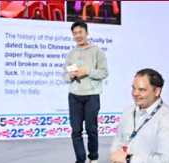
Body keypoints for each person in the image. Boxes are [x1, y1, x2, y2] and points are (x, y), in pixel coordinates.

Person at [110, 68, 169, 163]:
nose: (135, 93)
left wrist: (129, 159)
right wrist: (115, 154)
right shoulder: (128, 112)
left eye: (142, 90)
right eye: (133, 88)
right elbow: (118, 140)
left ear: (157, 91)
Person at [62, 21, 108, 163]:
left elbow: (104, 73)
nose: (78, 36)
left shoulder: (97, 51)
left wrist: (86, 71)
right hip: (74, 96)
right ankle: (80, 160)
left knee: (91, 130)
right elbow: (64, 76)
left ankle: (93, 157)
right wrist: (69, 76)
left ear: (86, 33)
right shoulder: (71, 54)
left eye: (80, 32)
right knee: (76, 131)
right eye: (75, 33)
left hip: (91, 96)